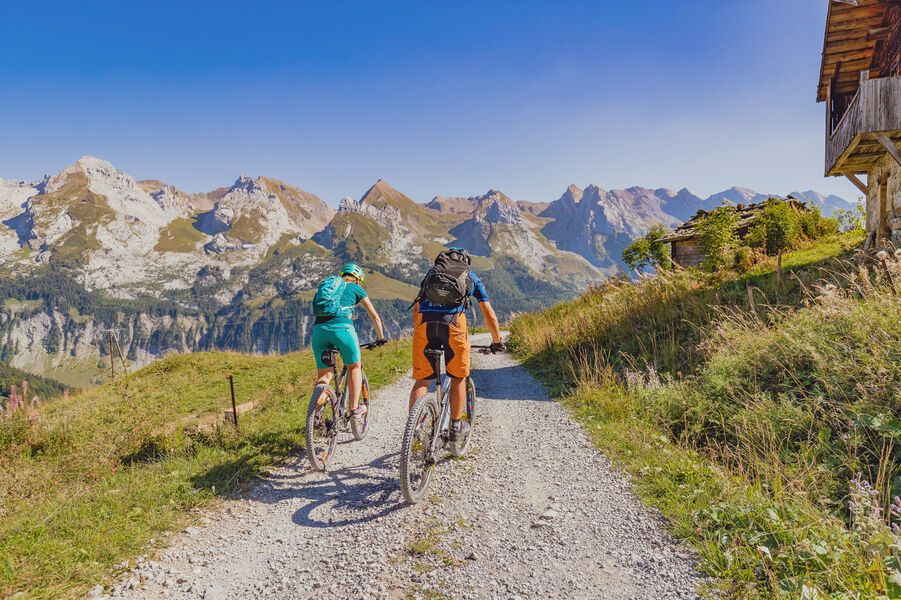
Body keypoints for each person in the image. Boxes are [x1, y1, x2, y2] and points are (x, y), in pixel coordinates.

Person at [409, 248, 504, 441]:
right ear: (465, 262)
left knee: (422, 381)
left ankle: (414, 430)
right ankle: (454, 426)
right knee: (458, 377)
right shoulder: (471, 277)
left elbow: (417, 305)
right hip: (453, 324)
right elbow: (489, 315)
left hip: (425, 325)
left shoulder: (433, 273)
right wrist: (496, 341)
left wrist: (418, 330)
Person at [311, 263, 386, 423]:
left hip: (319, 330)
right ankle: (354, 408)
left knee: (324, 375)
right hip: (342, 329)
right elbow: (375, 316)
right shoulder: (355, 288)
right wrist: (380, 338)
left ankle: (314, 416)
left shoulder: (331, 287)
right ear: (358, 279)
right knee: (354, 366)